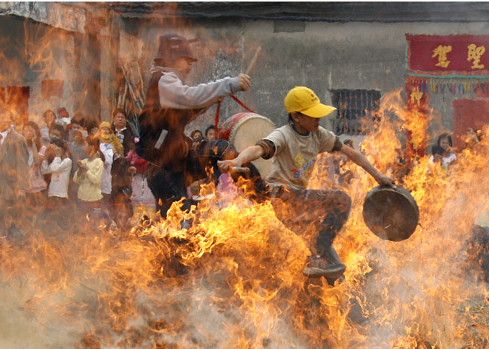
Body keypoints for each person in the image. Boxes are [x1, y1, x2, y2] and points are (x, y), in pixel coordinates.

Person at [218, 86, 394, 278]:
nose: (317, 118)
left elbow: (350, 152)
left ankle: (316, 263)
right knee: (341, 200)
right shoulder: (283, 135)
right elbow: (257, 150)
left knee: (333, 272)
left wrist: (378, 176)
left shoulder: (319, 135)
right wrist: (236, 161)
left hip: (300, 201)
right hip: (283, 197)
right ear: (296, 117)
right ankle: (319, 253)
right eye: (312, 115)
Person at [138, 33, 251, 218]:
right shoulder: (163, 80)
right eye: (187, 60)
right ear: (173, 58)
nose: (190, 66)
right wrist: (229, 84)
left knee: (221, 150)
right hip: (162, 170)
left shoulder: (166, 84)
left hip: (176, 163)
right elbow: (190, 97)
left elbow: (185, 111)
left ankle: (259, 192)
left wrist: (211, 100)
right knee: (181, 222)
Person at [0, 109, 29, 240]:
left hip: (11, 185)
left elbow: (22, 164)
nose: (3, 120)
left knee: (10, 217)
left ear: (11, 120)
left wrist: (22, 188)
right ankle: (0, 246)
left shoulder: (18, 139)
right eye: (0, 117)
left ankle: (14, 246)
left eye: (6, 117)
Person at [73, 134, 105, 220]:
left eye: (85, 144)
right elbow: (76, 180)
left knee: (94, 224)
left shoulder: (99, 162)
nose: (83, 148)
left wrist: (86, 169)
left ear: (92, 146)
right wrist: (80, 170)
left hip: (94, 200)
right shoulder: (84, 161)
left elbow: (96, 180)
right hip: (81, 198)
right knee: (82, 223)